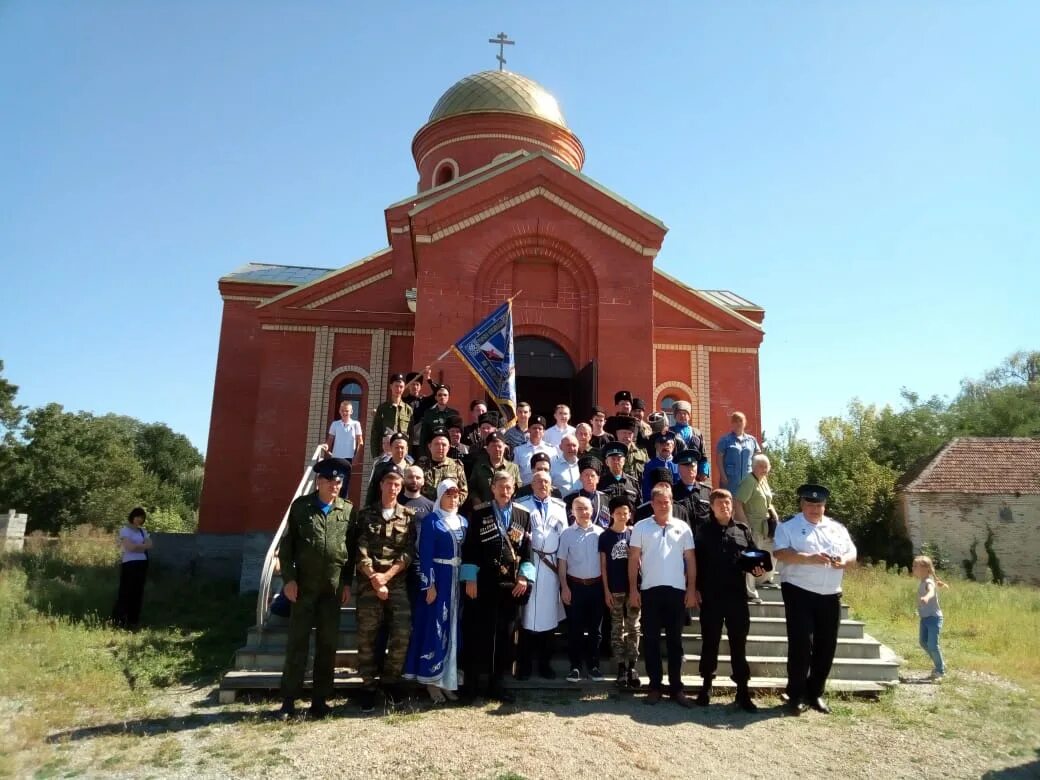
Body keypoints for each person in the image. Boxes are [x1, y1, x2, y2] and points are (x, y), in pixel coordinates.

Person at [275, 458, 358, 720]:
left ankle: (320, 701)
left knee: (327, 644)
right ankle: (289, 700)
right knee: (297, 642)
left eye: (339, 481)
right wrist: (288, 580)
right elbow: (287, 549)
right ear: (318, 482)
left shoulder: (347, 510)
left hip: (332, 589)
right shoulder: (301, 508)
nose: (335, 485)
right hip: (303, 587)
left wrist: (346, 582)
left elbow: (351, 551)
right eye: (330, 481)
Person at [773, 483, 857, 715]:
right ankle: (796, 694)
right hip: (799, 591)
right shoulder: (789, 526)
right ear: (802, 504)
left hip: (830, 593)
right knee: (802, 645)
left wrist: (845, 561)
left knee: (826, 646)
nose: (814, 509)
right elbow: (779, 552)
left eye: (818, 505)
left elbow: (852, 552)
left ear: (824, 506)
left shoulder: (836, 528)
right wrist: (807, 558)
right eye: (810, 505)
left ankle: (815, 693)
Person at [461, 471, 535, 702]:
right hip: (483, 584)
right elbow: (470, 547)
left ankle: (498, 683)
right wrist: (470, 577)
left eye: (509, 487)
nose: (505, 492)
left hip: (510, 587)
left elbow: (526, 551)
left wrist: (524, 577)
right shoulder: (480, 512)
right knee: (478, 634)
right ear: (492, 488)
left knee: (506, 636)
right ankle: (472, 685)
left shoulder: (523, 515)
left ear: (514, 489)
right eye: (501, 487)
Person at [694, 489, 764, 712]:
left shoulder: (743, 530)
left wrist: (758, 569)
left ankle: (742, 691)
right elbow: (695, 563)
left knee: (738, 643)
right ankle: (706, 687)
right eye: (720, 504)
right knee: (710, 641)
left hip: (736, 597)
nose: (724, 507)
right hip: (711, 596)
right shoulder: (703, 532)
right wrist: (694, 589)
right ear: (712, 507)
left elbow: (754, 559)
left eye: (727, 503)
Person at [355, 465, 417, 713]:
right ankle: (368, 686)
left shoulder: (408, 516)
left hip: (397, 584)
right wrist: (374, 578)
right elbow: (360, 551)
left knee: (402, 634)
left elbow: (408, 552)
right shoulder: (365, 514)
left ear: (401, 488)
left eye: (397, 484)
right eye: (388, 483)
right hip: (368, 585)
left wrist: (387, 576)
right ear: (380, 485)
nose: (392, 488)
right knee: (367, 638)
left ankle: (391, 682)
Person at [628, 487, 697, 707]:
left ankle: (677, 688)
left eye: (667, 501)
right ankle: (655, 686)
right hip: (650, 591)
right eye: (659, 502)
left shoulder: (683, 527)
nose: (663, 505)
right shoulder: (641, 527)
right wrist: (633, 589)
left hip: (677, 591)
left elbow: (691, 561)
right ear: (652, 503)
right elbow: (633, 560)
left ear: (671, 502)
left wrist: (691, 588)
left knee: (675, 642)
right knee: (651, 641)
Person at [404, 480, 468, 702]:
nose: (453, 499)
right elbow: (425, 554)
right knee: (435, 627)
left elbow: (468, 555)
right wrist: (428, 585)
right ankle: (431, 680)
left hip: (457, 581)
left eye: (456, 495)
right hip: (439, 580)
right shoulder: (433, 521)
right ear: (440, 497)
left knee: (453, 629)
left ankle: (448, 680)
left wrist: (468, 579)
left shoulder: (463, 521)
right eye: (448, 495)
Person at [515, 471, 568, 679]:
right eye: (538, 481)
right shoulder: (522, 505)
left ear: (551, 484)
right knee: (526, 617)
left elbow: (564, 538)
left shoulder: (560, 507)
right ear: (532, 484)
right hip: (530, 562)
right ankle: (525, 666)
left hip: (552, 566)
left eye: (546, 481)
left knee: (549, 617)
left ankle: (545, 665)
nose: (542, 485)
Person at [558, 496, 605, 682]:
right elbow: (562, 563)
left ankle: (594, 666)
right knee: (575, 629)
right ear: (572, 512)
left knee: (596, 630)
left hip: (597, 587)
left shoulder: (601, 533)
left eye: (586, 508)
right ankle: (575, 667)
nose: (584, 512)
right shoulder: (566, 534)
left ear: (592, 510)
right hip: (575, 586)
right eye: (579, 509)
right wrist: (564, 587)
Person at [600, 496, 641, 688]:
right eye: (619, 513)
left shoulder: (634, 534)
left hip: (633, 590)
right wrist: (606, 590)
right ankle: (620, 668)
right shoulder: (605, 537)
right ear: (612, 514)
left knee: (634, 627)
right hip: (614, 590)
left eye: (626, 512)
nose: (623, 516)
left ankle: (632, 665)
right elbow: (603, 567)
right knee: (617, 629)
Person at [734, 454, 780, 599]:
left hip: (766, 525)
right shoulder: (749, 481)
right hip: (753, 526)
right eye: (761, 466)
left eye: (766, 466)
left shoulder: (763, 480)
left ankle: (765, 578)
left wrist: (773, 513)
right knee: (752, 558)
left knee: (773, 552)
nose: (764, 469)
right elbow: (738, 502)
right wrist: (744, 525)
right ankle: (749, 590)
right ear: (753, 467)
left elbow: (768, 500)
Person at [112, 507, 152, 630]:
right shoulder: (125, 530)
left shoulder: (142, 531)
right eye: (138, 516)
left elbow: (150, 545)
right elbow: (129, 547)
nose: (139, 519)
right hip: (129, 564)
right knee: (126, 592)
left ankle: (133, 621)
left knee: (138, 593)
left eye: (142, 518)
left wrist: (138, 546)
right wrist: (142, 546)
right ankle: (119, 620)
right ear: (132, 516)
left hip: (142, 563)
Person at [913, 555, 948, 682]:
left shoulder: (928, 582)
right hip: (925, 618)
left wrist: (927, 597)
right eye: (914, 565)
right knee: (923, 642)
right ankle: (940, 663)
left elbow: (931, 591)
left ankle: (940, 670)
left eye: (916, 566)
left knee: (933, 645)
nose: (913, 568)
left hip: (934, 618)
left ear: (926, 569)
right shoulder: (923, 581)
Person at [467, 431, 521, 507]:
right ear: (487, 449)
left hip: (507, 508)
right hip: (485, 508)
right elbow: (472, 488)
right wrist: (477, 502)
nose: (497, 449)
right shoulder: (479, 466)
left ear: (505, 447)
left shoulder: (513, 467)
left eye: (499, 446)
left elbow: (518, 489)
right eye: (493, 446)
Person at [417, 428, 469, 505]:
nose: (440, 448)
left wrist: (451, 505)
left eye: (444, 445)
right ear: (429, 446)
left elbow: (463, 491)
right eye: (436, 444)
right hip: (426, 509)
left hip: (449, 510)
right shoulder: (420, 465)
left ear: (448, 447)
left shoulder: (456, 466)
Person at [324, 401, 363, 494]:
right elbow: (330, 439)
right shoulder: (335, 424)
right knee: (334, 482)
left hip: (348, 459)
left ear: (351, 411)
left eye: (347, 411)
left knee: (344, 484)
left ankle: (342, 506)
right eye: (342, 411)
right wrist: (326, 447)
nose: (344, 413)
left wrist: (356, 457)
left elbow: (360, 442)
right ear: (339, 411)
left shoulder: (356, 424)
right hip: (336, 457)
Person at [370, 373, 412, 458]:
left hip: (402, 453)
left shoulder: (408, 410)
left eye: (401, 387)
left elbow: (411, 435)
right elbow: (375, 433)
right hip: (386, 453)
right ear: (390, 386)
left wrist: (409, 453)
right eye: (396, 386)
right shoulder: (382, 408)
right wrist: (375, 455)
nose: (398, 389)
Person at [715, 411, 761, 490]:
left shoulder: (752, 440)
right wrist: (723, 476)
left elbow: (757, 458)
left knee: (746, 501)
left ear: (745, 423)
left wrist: (756, 475)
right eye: (735, 421)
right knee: (729, 501)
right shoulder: (725, 440)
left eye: (741, 421)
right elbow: (719, 459)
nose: (738, 423)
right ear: (732, 423)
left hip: (747, 478)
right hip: (730, 480)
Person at [367, 432, 412, 506]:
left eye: (402, 447)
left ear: (407, 449)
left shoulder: (412, 469)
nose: (399, 450)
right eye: (396, 447)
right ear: (391, 448)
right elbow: (372, 491)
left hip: (406, 510)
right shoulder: (381, 468)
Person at [672, 450, 712, 532]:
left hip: (703, 541)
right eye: (686, 465)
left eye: (692, 465)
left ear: (697, 467)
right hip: (681, 539)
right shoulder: (672, 493)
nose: (690, 468)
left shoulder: (707, 491)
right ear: (679, 468)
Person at [513, 416, 558, 485]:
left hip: (545, 488)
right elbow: (514, 472)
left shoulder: (552, 450)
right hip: (525, 489)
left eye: (540, 428)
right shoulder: (519, 450)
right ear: (529, 430)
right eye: (534, 428)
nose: (537, 431)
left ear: (544, 432)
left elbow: (554, 472)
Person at [566, 457, 610, 527]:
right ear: (580, 478)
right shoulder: (570, 499)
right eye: (586, 475)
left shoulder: (606, 499)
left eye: (592, 475)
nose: (589, 478)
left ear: (598, 479)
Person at [598, 441, 641, 506]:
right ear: (607, 462)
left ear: (624, 461)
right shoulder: (600, 483)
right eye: (613, 459)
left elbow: (638, 505)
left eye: (619, 459)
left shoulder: (633, 482)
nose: (616, 462)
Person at [418, 384, 460, 451]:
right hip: (432, 450)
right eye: (439, 395)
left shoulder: (454, 414)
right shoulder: (428, 413)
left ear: (448, 397)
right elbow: (423, 436)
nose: (442, 397)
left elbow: (458, 435)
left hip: (449, 450)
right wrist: (422, 453)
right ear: (435, 397)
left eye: (445, 395)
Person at [641, 431, 680, 500]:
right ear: (656, 447)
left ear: (673, 446)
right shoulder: (650, 465)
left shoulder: (679, 465)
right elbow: (646, 489)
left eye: (668, 444)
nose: (665, 447)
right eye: (662, 444)